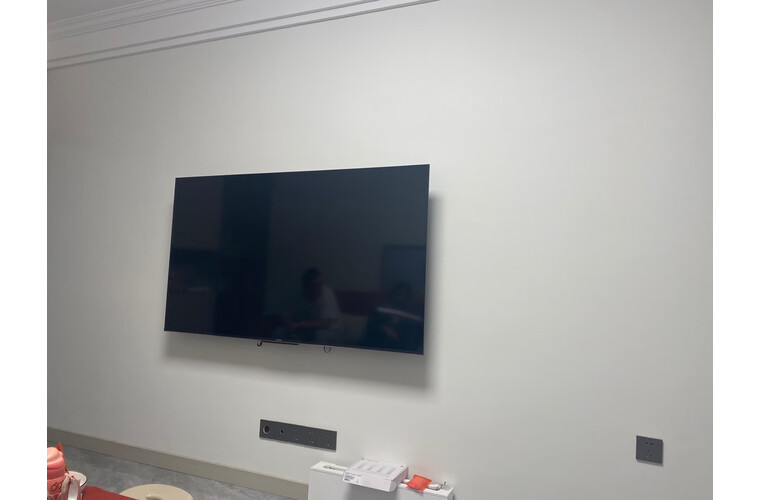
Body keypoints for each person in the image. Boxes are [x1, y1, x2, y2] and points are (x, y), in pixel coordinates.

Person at [284, 268, 344, 343]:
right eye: (315, 285)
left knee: (319, 334)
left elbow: (325, 324)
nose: (319, 287)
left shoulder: (327, 294)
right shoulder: (299, 295)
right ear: (307, 285)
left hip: (333, 331)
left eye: (321, 284)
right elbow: (289, 314)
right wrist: (289, 323)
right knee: (281, 331)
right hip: (309, 329)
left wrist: (299, 325)